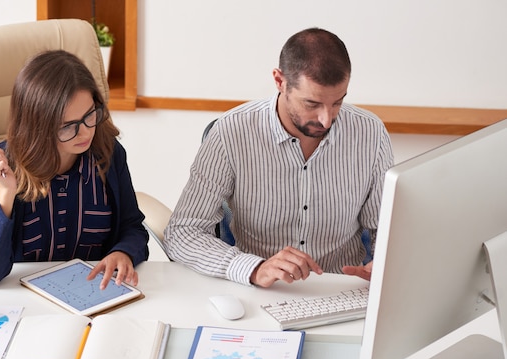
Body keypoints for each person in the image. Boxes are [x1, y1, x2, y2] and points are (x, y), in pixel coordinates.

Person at [163, 28, 394, 288]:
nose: (326, 119)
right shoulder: (231, 132)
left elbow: (387, 229)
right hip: (261, 293)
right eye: (312, 104)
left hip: (343, 289)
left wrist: (388, 261)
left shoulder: (370, 133)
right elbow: (183, 232)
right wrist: (253, 268)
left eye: (337, 103)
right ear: (279, 81)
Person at [0, 50, 149, 289]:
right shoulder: (1, 169)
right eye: (68, 126)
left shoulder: (108, 153)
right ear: (37, 127)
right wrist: (5, 195)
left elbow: (132, 227)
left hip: (94, 293)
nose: (85, 132)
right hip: (27, 301)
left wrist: (123, 252)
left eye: (89, 115)